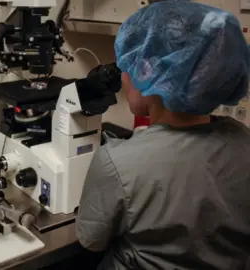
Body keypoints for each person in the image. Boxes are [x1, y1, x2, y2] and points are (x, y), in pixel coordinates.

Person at [76, 1, 250, 270]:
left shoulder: (119, 163)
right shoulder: (243, 141)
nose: (122, 77)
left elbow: (91, 241)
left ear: (149, 74)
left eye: (129, 65)